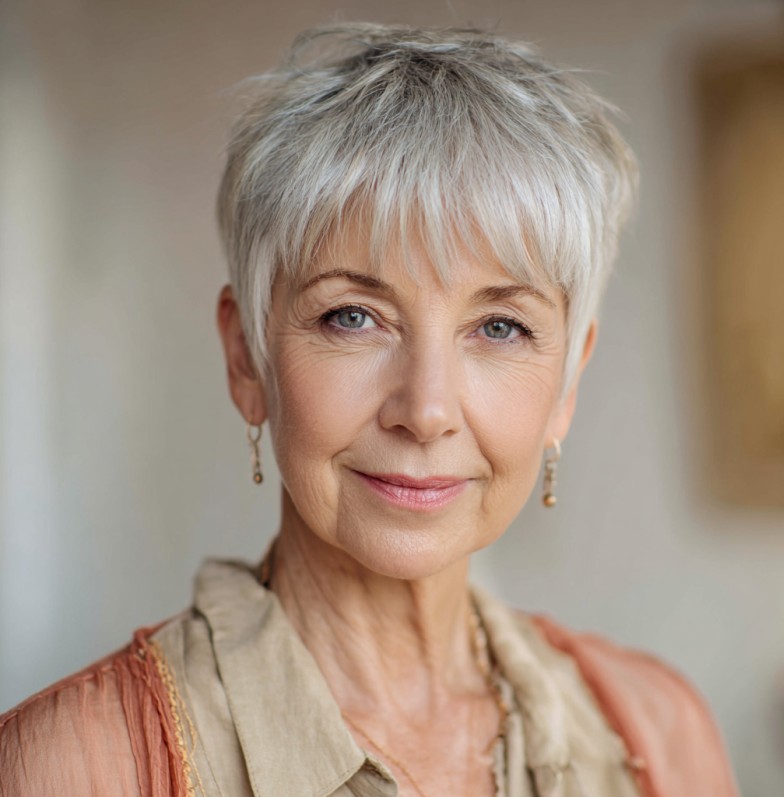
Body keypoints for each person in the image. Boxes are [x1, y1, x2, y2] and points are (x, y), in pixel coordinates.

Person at [0, 23, 739, 797]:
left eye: (498, 327)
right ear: (245, 357)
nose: (424, 410)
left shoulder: (662, 735)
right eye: (352, 316)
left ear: (566, 385)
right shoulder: (67, 768)